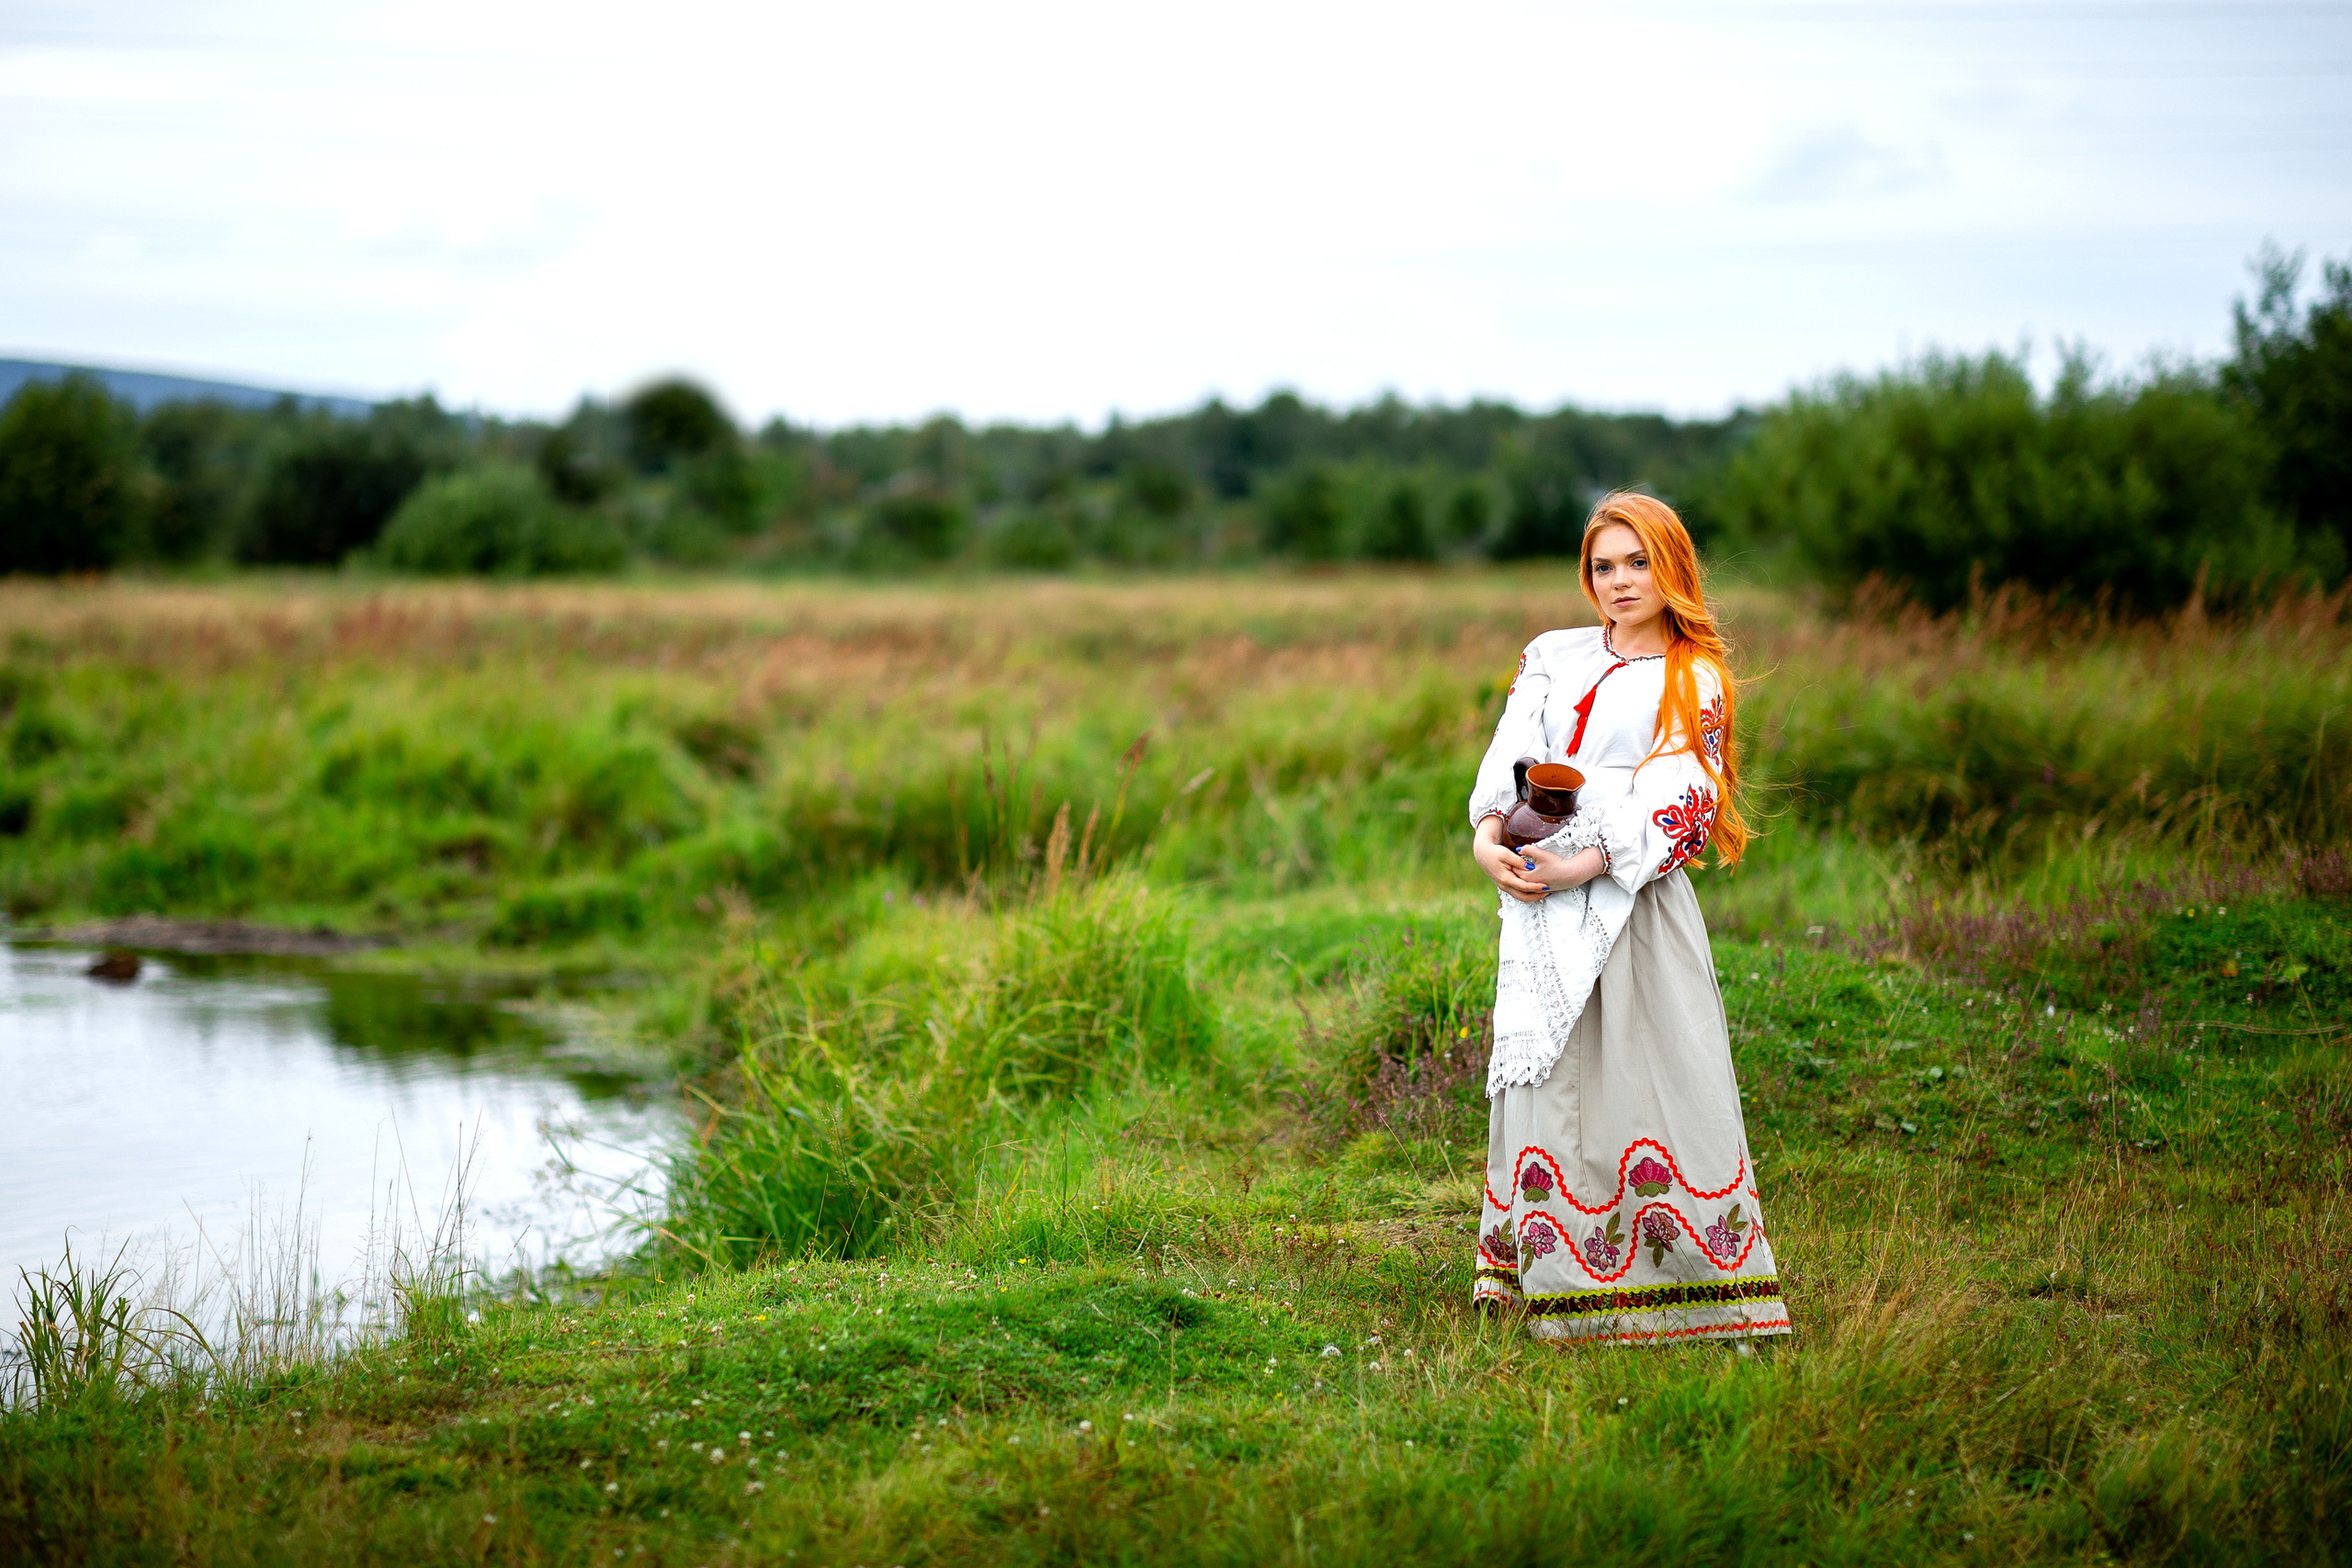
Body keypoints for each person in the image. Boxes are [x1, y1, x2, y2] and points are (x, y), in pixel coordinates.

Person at [1464, 491, 1791, 1344]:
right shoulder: (1552, 654)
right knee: (1548, 1072)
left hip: (1631, 902)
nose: (1618, 582)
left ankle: (1663, 1280)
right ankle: (1548, 1271)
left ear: (1672, 564)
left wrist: (1588, 861)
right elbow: (1511, 749)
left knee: (1643, 1071)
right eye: (1603, 566)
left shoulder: (1695, 675)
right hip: (1535, 896)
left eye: (1637, 562)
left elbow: (1689, 788)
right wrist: (1489, 835)